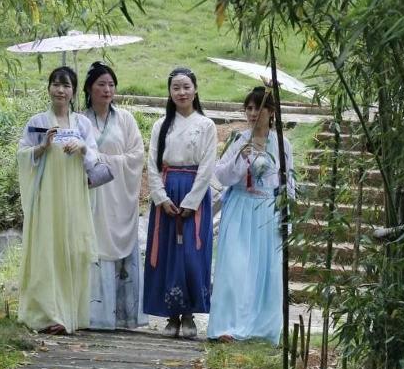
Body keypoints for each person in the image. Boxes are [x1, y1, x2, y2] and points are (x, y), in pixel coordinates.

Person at [207, 87, 295, 344]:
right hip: (239, 209)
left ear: (271, 112)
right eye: (249, 108)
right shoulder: (239, 140)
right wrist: (240, 159)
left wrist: (287, 215)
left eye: (259, 108)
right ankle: (227, 326)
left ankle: (261, 327)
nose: (253, 113)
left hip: (267, 212)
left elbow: (288, 182)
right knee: (235, 267)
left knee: (266, 269)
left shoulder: (282, 144)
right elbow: (222, 176)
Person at [17, 66, 98, 335]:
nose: (60, 90)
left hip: (73, 196)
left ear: (74, 91)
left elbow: (95, 156)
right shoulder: (38, 121)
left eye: (66, 85)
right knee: (46, 249)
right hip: (47, 196)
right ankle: (48, 313)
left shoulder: (82, 124)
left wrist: (81, 147)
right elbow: (22, 154)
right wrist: (42, 146)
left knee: (72, 249)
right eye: (56, 84)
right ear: (49, 87)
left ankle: (70, 312)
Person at [143, 67, 217, 338]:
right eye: (176, 87)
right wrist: (161, 198)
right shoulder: (160, 125)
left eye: (186, 87)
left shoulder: (206, 125)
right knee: (167, 253)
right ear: (169, 92)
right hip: (167, 191)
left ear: (195, 90)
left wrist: (192, 201)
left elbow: (207, 166)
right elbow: (152, 163)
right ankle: (171, 316)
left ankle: (189, 315)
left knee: (190, 255)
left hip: (193, 193)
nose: (182, 92)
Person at [83, 61, 147, 330]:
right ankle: (93, 313)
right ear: (89, 88)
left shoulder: (125, 120)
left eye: (111, 84)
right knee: (94, 243)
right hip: (93, 195)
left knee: (120, 246)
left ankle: (122, 315)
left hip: (119, 193)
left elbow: (137, 155)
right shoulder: (80, 120)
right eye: (101, 84)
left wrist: (103, 159)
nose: (107, 89)